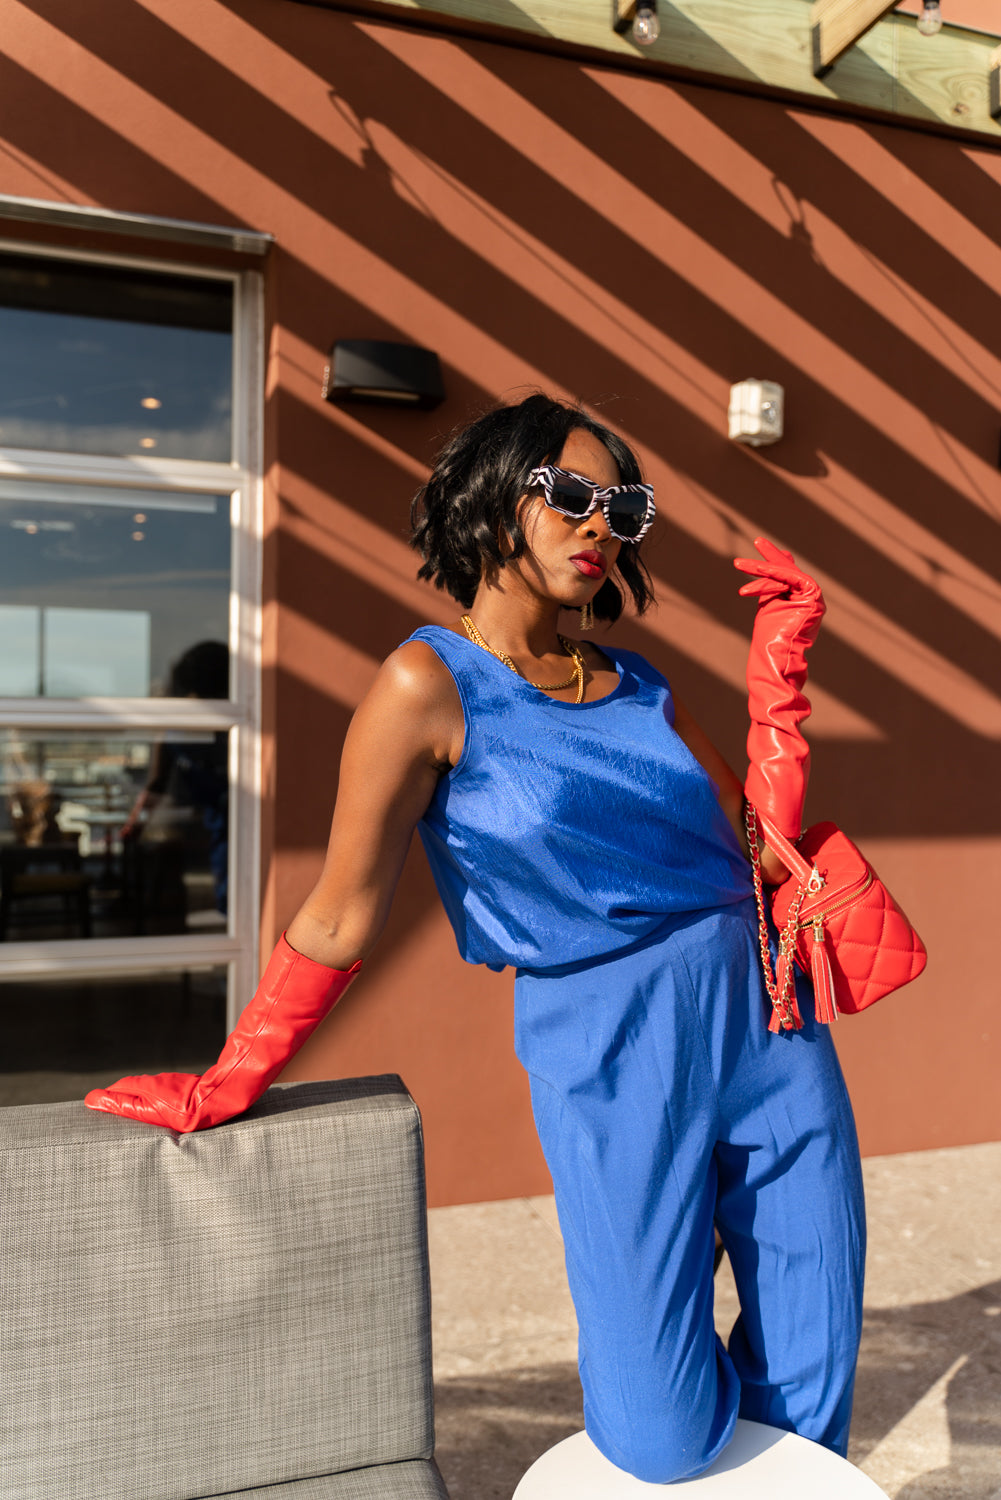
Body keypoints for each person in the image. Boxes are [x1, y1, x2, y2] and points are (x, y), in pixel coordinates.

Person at [86, 394, 865, 1484]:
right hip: (604, 1042)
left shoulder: (641, 685)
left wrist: (777, 678)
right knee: (660, 1429)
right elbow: (338, 911)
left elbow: (757, 851)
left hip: (767, 1023)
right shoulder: (426, 686)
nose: (600, 525)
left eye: (623, 507)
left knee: (814, 1354)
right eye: (573, 497)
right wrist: (231, 1077)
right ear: (496, 499)